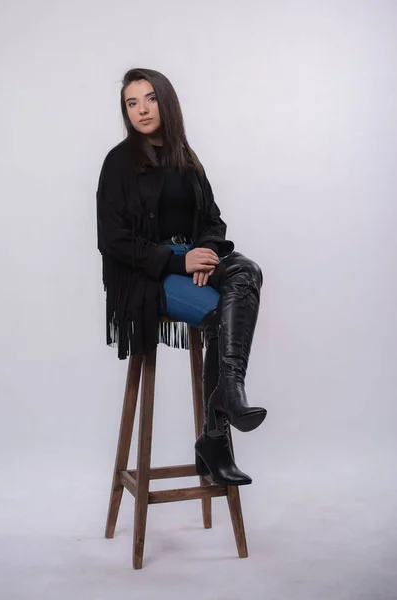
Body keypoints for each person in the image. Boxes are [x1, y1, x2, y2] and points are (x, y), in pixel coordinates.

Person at [96, 68, 267, 487]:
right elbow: (112, 241)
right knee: (218, 314)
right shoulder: (118, 162)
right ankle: (217, 436)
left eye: (149, 98)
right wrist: (178, 262)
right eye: (131, 103)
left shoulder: (185, 158)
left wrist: (205, 254)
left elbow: (212, 218)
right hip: (147, 275)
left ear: (166, 101)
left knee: (247, 269)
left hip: (193, 262)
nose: (141, 110)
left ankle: (227, 396)